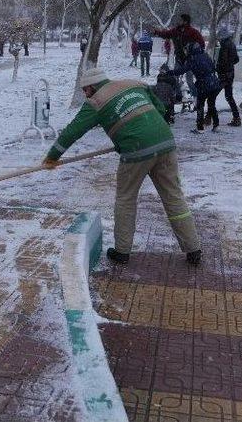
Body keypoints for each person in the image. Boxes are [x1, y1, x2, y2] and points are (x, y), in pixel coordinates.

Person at [41, 68, 202, 265]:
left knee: (126, 198)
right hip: (166, 143)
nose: (85, 94)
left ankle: (122, 251)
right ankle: (193, 248)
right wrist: (130, 136)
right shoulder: (134, 84)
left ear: (92, 86)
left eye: (85, 89)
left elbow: (72, 132)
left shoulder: (96, 102)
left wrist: (52, 157)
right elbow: (159, 108)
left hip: (136, 151)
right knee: (173, 196)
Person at [168, 43, 221, 133]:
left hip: (204, 84)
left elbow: (182, 70)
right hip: (214, 83)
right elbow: (213, 67)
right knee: (211, 105)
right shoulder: (205, 55)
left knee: (200, 105)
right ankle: (216, 126)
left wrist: (170, 73)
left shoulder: (192, 59)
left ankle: (200, 128)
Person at [154, 14, 205, 98]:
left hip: (190, 60)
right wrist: (156, 32)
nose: (179, 21)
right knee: (175, 78)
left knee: (189, 80)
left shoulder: (193, 32)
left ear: (185, 21)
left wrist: (196, 56)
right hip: (179, 59)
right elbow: (166, 34)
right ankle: (178, 95)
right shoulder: (175, 31)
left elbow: (202, 44)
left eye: (181, 20)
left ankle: (196, 98)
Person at [215, 27, 241, 126]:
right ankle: (236, 117)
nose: (218, 39)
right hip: (230, 73)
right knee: (229, 96)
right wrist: (230, 65)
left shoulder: (224, 46)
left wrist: (217, 68)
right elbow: (236, 59)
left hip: (223, 74)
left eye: (219, 37)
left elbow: (223, 61)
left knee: (212, 95)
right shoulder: (232, 45)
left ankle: (208, 118)